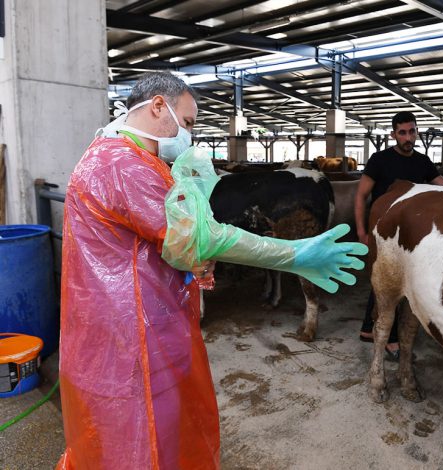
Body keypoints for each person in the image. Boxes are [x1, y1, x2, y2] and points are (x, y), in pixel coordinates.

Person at [57, 71, 365, 470]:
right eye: (186, 123)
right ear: (156, 107)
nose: (189, 135)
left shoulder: (113, 154)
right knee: (142, 440)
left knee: (133, 437)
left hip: (128, 326)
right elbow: (202, 238)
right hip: (134, 335)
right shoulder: (123, 165)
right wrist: (294, 253)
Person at [354, 111, 443, 358]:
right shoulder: (379, 160)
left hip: (409, 234)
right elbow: (360, 196)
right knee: (389, 282)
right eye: (402, 132)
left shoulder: (422, 162)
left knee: (385, 281)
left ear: (417, 132)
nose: (408, 137)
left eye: (412, 131)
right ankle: (389, 338)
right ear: (393, 134)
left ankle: (369, 329)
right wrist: (361, 231)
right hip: (383, 233)